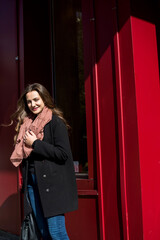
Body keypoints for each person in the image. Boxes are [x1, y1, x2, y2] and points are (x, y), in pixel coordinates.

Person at [10, 83, 78, 240]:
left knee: (57, 233)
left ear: (44, 99)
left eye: (36, 99)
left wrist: (35, 143)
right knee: (44, 232)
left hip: (53, 186)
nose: (33, 104)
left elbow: (63, 154)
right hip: (33, 185)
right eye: (29, 101)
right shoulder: (27, 124)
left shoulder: (55, 122)